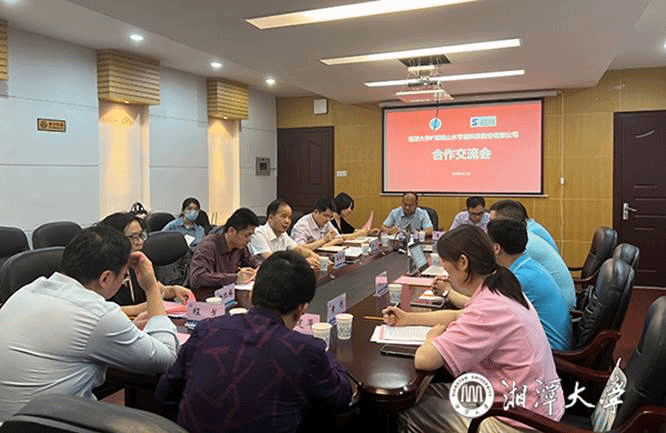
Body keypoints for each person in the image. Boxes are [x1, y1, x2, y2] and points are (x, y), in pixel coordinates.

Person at [383, 226, 564, 433]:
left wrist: (432, 338)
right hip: (535, 405)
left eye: (447, 269)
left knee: (406, 410)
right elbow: (458, 315)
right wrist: (408, 318)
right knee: (425, 393)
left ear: (463, 262)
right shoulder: (502, 284)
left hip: (516, 422)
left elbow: (424, 359)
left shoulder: (488, 308)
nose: (446, 275)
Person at [155, 250, 354, 433]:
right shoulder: (304, 350)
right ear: (302, 309)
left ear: (251, 295)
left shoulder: (207, 329)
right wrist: (324, 352)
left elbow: (165, 392)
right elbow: (341, 396)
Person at [0, 225, 178, 421]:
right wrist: (151, 287)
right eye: (124, 276)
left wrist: (129, 330)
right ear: (105, 278)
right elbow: (166, 358)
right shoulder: (99, 315)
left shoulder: (26, 291)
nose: (123, 280)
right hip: (53, 424)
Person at [487, 218, 572, 351]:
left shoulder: (520, 279)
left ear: (496, 248)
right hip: (547, 344)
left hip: (551, 353)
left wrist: (452, 292)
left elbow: (486, 311)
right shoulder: (527, 264)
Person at [99, 212, 194, 317]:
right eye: (133, 237)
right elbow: (98, 310)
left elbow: (155, 287)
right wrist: (142, 308)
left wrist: (172, 290)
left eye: (141, 235)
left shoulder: (136, 262)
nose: (140, 242)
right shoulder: (102, 271)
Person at [489, 200, 575, 310]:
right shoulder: (527, 235)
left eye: (493, 222)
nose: (489, 227)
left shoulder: (524, 244)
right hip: (558, 302)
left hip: (564, 305)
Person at [188, 207, 260, 292]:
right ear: (231, 231)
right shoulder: (208, 246)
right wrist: (235, 278)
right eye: (246, 235)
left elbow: (253, 263)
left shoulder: (240, 246)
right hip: (209, 296)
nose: (249, 240)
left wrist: (258, 270)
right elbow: (197, 278)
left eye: (251, 235)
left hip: (230, 294)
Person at [250, 198, 321, 271]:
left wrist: (317, 258)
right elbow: (272, 260)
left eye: (290, 218)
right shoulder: (258, 233)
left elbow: (300, 250)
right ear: (271, 218)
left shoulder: (283, 234)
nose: (287, 221)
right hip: (263, 274)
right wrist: (304, 262)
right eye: (283, 216)